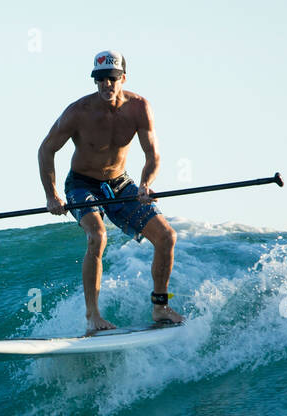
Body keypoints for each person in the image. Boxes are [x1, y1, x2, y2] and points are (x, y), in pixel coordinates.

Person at [37, 50, 185, 332]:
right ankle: (93, 316)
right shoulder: (78, 112)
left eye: (112, 78)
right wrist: (51, 194)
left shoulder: (140, 108)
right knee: (98, 235)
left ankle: (160, 307)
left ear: (123, 78)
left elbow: (153, 155)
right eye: (100, 79)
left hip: (120, 184)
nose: (106, 84)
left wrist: (144, 184)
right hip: (82, 184)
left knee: (167, 236)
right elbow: (46, 149)